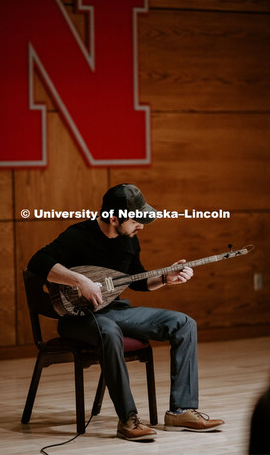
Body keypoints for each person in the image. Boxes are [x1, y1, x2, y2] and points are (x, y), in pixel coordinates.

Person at [28, 183, 224, 441]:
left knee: (183, 323)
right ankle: (128, 420)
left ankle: (182, 410)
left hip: (116, 311)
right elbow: (37, 262)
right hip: (79, 319)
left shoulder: (129, 240)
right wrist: (80, 281)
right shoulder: (77, 235)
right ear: (113, 217)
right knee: (109, 331)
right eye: (136, 220)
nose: (141, 226)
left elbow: (136, 280)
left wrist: (166, 278)